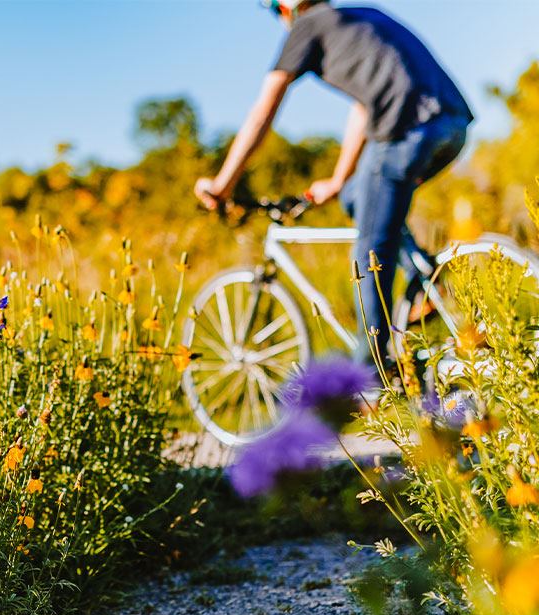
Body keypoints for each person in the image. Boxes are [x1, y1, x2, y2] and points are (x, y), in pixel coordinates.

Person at [194, 0, 473, 365]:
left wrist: (223, 184)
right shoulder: (360, 16)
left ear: (285, 8)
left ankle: (372, 371)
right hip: (451, 126)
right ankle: (424, 279)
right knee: (357, 196)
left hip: (405, 130)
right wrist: (339, 179)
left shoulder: (306, 26)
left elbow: (264, 110)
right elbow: (365, 105)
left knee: (370, 251)